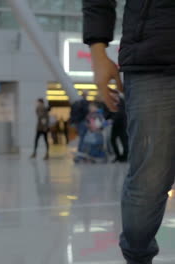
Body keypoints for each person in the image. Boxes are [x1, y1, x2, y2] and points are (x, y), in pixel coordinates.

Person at [83, 0, 175, 262]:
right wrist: (98, 51)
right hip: (155, 58)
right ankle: (137, 258)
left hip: (152, 55)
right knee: (149, 181)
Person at [110, 97, 128, 163]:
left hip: (122, 124)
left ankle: (125, 156)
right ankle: (118, 156)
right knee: (112, 140)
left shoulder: (122, 101)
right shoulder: (112, 102)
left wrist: (112, 119)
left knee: (124, 141)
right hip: (115, 125)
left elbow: (121, 113)